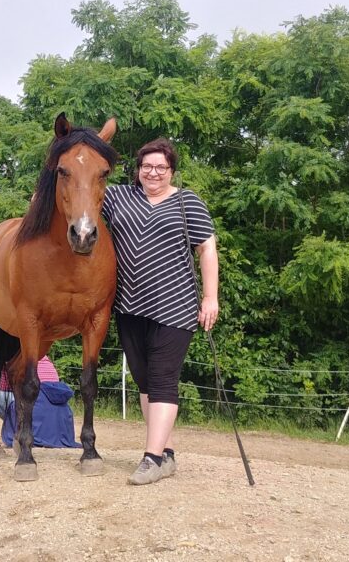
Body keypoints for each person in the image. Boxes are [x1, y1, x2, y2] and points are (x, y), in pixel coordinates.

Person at [101, 137, 218, 485]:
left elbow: (207, 249)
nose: (153, 172)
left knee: (163, 379)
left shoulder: (188, 202)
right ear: (138, 170)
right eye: (147, 166)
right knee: (143, 381)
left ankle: (151, 458)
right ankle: (166, 454)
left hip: (175, 307)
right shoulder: (118, 196)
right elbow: (78, 196)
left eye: (161, 167)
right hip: (128, 305)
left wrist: (210, 298)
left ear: (171, 171)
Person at [0, 355, 79, 448]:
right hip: (58, 423)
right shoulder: (47, 360)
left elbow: (4, 388)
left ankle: (17, 427)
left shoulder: (13, 360)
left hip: (34, 404)